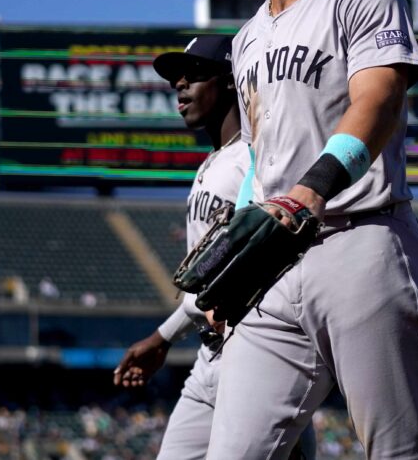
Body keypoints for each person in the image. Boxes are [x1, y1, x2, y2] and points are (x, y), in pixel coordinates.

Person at [205, 0, 418, 458]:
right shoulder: (244, 41)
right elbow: (261, 156)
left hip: (361, 241)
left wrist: (313, 187)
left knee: (400, 451)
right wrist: (229, 261)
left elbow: (379, 100)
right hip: (273, 267)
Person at [113, 34, 314, 459]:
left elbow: (253, 265)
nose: (180, 86)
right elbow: (202, 286)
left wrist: (162, 335)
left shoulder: (253, 158)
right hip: (208, 358)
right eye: (176, 80)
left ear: (228, 82)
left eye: (195, 75)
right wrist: (164, 338)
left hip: (255, 351)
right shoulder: (212, 163)